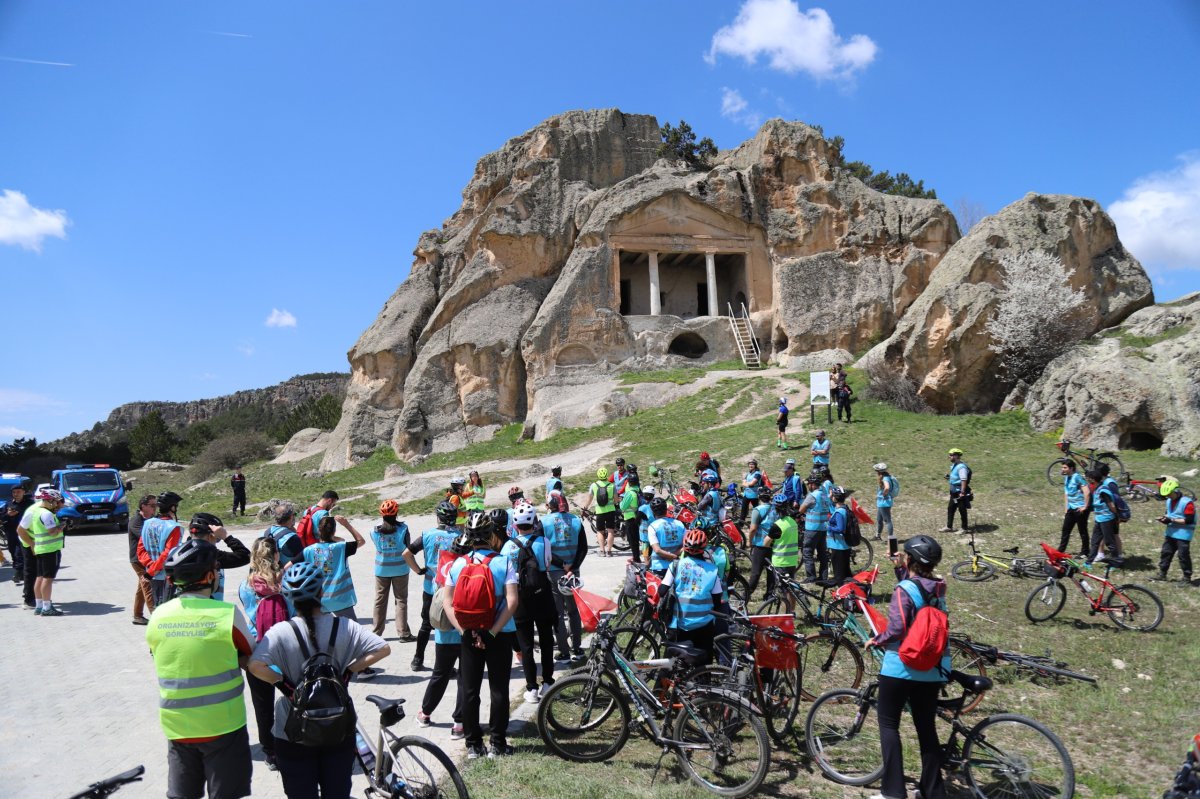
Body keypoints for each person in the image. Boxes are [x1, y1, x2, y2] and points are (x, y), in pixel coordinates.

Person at [248, 562, 391, 797]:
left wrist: (284, 685)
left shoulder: (280, 632)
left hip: (292, 731)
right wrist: (348, 671)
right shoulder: (345, 626)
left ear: (290, 598)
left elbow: (255, 665)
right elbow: (383, 648)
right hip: (338, 725)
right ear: (321, 592)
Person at [146, 538, 253, 799]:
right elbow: (250, 652)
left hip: (177, 726)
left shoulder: (158, 615)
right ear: (209, 576)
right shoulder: (226, 614)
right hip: (223, 724)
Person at [866, 535, 951, 799]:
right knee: (926, 729)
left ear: (911, 559)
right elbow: (918, 591)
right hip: (932, 668)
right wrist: (900, 568)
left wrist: (876, 640)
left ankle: (893, 792)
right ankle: (932, 791)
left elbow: (897, 628)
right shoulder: (939, 589)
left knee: (888, 724)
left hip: (901, 667)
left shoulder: (904, 589)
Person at [443, 512, 520, 759]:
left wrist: (464, 631)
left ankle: (474, 745)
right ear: (491, 535)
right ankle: (497, 743)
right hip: (499, 634)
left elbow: (447, 602)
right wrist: (492, 631)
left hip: (468, 634)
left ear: (467, 535)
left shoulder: (457, 564)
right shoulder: (503, 562)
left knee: (469, 690)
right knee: (499, 689)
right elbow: (512, 601)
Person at [238, 536, 292, 771]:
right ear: (276, 555)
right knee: (295, 698)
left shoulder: (246, 586)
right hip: (285, 651)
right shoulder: (286, 583)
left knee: (263, 706)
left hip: (256, 651)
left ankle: (270, 752)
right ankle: (298, 741)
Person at [501, 503, 560, 704]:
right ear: (534, 522)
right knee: (546, 641)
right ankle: (548, 682)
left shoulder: (508, 546)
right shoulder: (543, 541)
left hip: (520, 599)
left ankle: (532, 688)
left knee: (525, 645)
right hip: (542, 595)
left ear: (515, 524)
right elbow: (548, 564)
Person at [416, 531, 470, 737]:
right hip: (466, 632)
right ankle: (459, 724)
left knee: (440, 674)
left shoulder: (443, 571)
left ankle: (425, 713)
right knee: (465, 678)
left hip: (444, 634)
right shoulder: (471, 570)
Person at [403, 500, 461, 671]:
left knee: (426, 624)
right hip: (453, 589)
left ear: (439, 518)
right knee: (452, 625)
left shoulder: (428, 535)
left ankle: (417, 659)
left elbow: (406, 553)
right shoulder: (460, 536)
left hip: (431, 588)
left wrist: (418, 570)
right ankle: (451, 665)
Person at [660, 529, 725, 664]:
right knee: (703, 662)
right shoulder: (712, 570)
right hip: (704, 624)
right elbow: (717, 601)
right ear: (704, 548)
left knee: (674, 662)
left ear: (685, 547)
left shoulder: (676, 566)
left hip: (679, 623)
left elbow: (662, 591)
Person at [544, 493, 587, 661]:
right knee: (574, 611)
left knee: (558, 613)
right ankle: (577, 648)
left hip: (554, 571)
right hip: (573, 572)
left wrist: (561, 564)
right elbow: (583, 547)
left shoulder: (544, 522)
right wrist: (572, 567)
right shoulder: (576, 520)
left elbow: (544, 548)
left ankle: (564, 652)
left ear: (550, 505)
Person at [304, 515, 366, 622]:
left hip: (319, 600)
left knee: (322, 630)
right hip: (340, 599)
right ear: (334, 531)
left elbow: (289, 566)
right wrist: (346, 525)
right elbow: (361, 541)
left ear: (319, 530)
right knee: (351, 629)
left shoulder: (308, 550)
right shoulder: (341, 547)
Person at [16, 487, 67, 616]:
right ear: (50, 501)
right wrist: (61, 526)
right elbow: (52, 532)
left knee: (39, 577)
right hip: (49, 549)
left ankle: (39, 605)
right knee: (47, 579)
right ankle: (46, 607)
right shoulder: (46, 514)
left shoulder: (37, 511)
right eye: (56, 502)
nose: (57, 505)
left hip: (40, 548)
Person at [371, 499, 415, 641]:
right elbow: (408, 548)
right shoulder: (403, 529)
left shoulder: (374, 531)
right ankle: (404, 633)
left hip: (382, 570)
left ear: (382, 514)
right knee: (401, 600)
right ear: (396, 513)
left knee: (380, 600)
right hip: (400, 569)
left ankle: (376, 633)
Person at [188, 512, 251, 603]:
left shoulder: (179, 553)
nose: (217, 542)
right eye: (218, 539)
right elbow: (245, 556)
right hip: (212, 607)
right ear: (210, 536)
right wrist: (226, 537)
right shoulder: (211, 555)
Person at [745, 492, 785, 599]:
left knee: (756, 572)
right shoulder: (775, 508)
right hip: (773, 544)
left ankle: (747, 594)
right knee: (771, 571)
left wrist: (750, 542)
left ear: (759, 498)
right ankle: (769, 594)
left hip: (760, 545)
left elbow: (753, 529)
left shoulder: (757, 510)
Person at [1155, 478, 1194, 584]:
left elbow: (1189, 520)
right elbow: (1169, 514)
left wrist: (1171, 520)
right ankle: (1162, 574)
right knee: (1166, 553)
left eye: (1169, 494)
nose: (1167, 496)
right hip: (1171, 533)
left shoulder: (1187, 503)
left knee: (1183, 555)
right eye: (1166, 495)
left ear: (1175, 491)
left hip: (1183, 534)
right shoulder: (1169, 501)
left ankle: (1187, 577)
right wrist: (1164, 519)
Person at [129, 493, 158, 624]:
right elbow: (147, 537)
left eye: (156, 505)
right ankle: (156, 616)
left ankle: (137, 616)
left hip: (147, 558)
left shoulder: (152, 519)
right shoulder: (136, 521)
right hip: (138, 560)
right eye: (152, 505)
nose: (155, 508)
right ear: (143, 506)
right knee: (148, 585)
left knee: (141, 588)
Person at [797, 474, 830, 583]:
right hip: (823, 528)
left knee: (807, 552)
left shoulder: (812, 495)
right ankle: (823, 577)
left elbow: (801, 509)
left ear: (812, 484)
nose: (808, 486)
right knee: (822, 554)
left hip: (812, 528)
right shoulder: (824, 495)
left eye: (809, 484)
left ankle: (811, 577)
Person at [1085, 467, 1122, 565]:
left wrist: (1117, 516)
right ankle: (1088, 562)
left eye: (1088, 478)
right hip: (1099, 519)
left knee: (1110, 543)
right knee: (1094, 541)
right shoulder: (1097, 488)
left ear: (1093, 479)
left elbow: (1111, 505)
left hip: (1107, 520)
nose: (1087, 480)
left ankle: (1117, 562)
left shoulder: (1103, 490)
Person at [646, 497, 686, 577]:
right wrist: (675, 555)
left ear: (652, 512)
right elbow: (686, 546)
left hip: (660, 567)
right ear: (666, 509)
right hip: (678, 565)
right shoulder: (680, 524)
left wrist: (671, 556)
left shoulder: (653, 526)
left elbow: (657, 550)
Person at [583, 467, 618, 558]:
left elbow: (589, 499)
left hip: (599, 511)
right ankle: (609, 551)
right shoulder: (612, 485)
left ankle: (602, 551)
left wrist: (585, 508)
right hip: (610, 511)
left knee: (600, 531)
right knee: (610, 531)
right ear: (607, 475)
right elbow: (616, 500)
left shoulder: (594, 485)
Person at [1059, 460, 1091, 557]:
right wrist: (1066, 508)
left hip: (1080, 508)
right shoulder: (1067, 478)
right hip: (1071, 508)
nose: (1062, 469)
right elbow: (1066, 494)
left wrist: (1085, 506)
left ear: (1071, 468)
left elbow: (1087, 492)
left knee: (1082, 530)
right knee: (1066, 529)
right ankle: (1060, 550)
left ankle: (1085, 551)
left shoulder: (1077, 477)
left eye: (1065, 467)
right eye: (1062, 467)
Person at [4, 484, 34, 587]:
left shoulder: (30, 504)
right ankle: (20, 572)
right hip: (11, 533)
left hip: (25, 532)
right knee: (13, 552)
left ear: (23, 492)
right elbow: (2, 517)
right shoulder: (9, 504)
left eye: (18, 492)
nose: (16, 494)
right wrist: (8, 515)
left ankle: (19, 573)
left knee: (20, 553)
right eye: (14, 492)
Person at [939, 448, 972, 533]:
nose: (949, 456)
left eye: (951, 455)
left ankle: (964, 528)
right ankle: (949, 527)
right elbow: (957, 478)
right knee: (951, 508)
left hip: (959, 492)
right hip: (954, 492)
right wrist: (949, 478)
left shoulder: (961, 467)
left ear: (956, 456)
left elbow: (963, 480)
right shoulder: (955, 465)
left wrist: (962, 492)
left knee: (962, 510)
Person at [827, 487, 853, 585]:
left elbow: (840, 528)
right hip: (844, 545)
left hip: (838, 546)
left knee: (839, 575)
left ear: (835, 498)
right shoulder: (845, 509)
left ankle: (842, 591)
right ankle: (850, 591)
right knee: (846, 573)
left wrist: (828, 527)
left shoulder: (839, 512)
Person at [617, 472, 641, 558]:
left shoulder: (630, 493)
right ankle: (636, 556)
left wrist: (621, 501)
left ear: (629, 482)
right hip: (636, 517)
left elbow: (622, 507)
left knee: (632, 540)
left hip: (630, 518)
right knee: (635, 539)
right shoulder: (637, 491)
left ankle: (636, 558)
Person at [874, 463, 896, 545]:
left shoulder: (885, 478)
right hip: (881, 503)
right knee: (879, 520)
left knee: (887, 521)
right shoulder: (886, 477)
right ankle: (878, 536)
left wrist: (883, 494)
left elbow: (887, 487)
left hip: (884, 503)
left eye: (877, 471)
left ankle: (891, 540)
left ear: (879, 472)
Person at [634, 486, 655, 565]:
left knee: (645, 547)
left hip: (644, 531)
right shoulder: (656, 506)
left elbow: (637, 520)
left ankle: (646, 563)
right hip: (655, 529)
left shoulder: (642, 508)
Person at [740, 459, 762, 525]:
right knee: (743, 510)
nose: (751, 465)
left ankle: (758, 523)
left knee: (756, 510)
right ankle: (741, 524)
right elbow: (743, 483)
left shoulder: (757, 474)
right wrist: (747, 483)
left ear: (755, 465)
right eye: (750, 464)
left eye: (752, 464)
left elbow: (752, 483)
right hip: (746, 494)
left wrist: (746, 483)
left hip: (754, 495)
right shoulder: (748, 473)